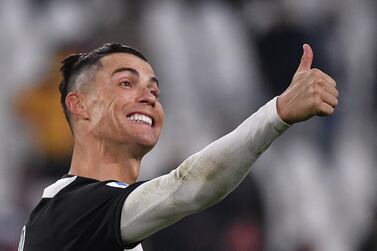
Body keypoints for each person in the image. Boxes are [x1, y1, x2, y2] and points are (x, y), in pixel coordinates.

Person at [18, 42, 338, 251]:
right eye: (126, 83)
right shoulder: (67, 212)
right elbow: (189, 187)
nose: (149, 97)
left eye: (154, 89)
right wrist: (277, 113)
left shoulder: (103, 218)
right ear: (80, 106)